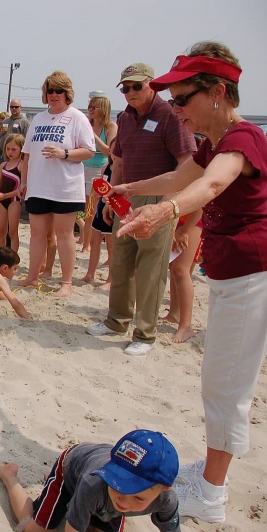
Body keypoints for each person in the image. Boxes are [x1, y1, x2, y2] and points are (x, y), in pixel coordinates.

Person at [111, 42, 267, 522]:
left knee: (227, 386)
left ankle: (212, 494)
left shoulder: (243, 138)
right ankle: (213, 472)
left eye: (182, 99)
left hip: (251, 275)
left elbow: (212, 184)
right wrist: (131, 189)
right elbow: (181, 175)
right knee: (219, 379)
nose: (175, 109)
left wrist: (164, 212)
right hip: (232, 275)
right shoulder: (212, 142)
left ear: (217, 92)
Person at [86, 62, 196, 356]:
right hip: (126, 196)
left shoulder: (170, 115)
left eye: (137, 86)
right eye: (125, 88)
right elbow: (118, 162)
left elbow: (187, 163)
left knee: (151, 269)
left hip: (157, 197)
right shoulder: (126, 118)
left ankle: (145, 334)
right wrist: (110, 199)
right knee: (121, 263)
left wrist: (167, 206)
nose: (131, 92)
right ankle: (116, 321)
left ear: (152, 85)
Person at [0, 429, 180, 532]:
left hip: (99, 492)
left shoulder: (166, 501)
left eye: (138, 497)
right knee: (35, 530)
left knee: (101, 509)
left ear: (165, 489)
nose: (123, 500)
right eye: (117, 485)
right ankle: (9, 477)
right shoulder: (93, 484)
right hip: (72, 468)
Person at [17, 71, 95, 297]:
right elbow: (27, 154)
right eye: (50, 90)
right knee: (37, 233)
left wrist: (65, 153)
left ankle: (67, 282)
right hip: (38, 186)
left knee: (64, 234)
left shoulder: (77, 117)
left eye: (59, 90)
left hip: (65, 187)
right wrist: (24, 182)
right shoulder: (38, 119)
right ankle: (32, 276)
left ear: (67, 93)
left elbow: (89, 151)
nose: (54, 94)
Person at [80, 94, 118, 252]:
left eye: (94, 107)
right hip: (81, 167)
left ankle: (86, 244)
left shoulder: (110, 127)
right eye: (89, 106)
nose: (90, 110)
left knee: (92, 210)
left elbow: (109, 151)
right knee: (82, 208)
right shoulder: (86, 124)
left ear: (103, 108)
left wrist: (94, 137)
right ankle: (83, 237)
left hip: (99, 169)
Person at [82, 137, 117, 290]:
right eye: (112, 149)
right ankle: (90, 274)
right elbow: (103, 187)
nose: (113, 152)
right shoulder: (105, 167)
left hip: (113, 209)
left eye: (116, 149)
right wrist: (97, 194)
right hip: (101, 206)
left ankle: (110, 280)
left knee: (111, 247)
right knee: (94, 241)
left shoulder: (122, 169)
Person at [163, 209, 202, 343]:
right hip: (181, 217)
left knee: (181, 270)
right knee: (174, 268)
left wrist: (186, 229)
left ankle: (186, 326)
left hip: (194, 220)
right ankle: (174, 314)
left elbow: (200, 205)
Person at [0, 134, 24, 253]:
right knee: (1, 230)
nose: (10, 152)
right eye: (8, 149)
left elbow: (21, 189)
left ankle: (13, 257)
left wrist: (4, 195)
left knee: (12, 232)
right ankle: (1, 256)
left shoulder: (21, 166)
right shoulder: (3, 165)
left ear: (21, 149)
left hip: (14, 201)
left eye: (14, 149)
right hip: (2, 201)